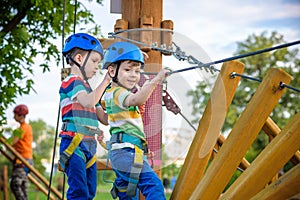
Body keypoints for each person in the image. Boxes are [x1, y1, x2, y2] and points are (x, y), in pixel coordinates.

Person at [101, 41, 170, 200]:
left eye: (137, 71)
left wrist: (135, 56)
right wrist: (157, 78)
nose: (133, 75)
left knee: (128, 195)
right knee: (154, 186)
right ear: (112, 71)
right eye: (127, 70)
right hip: (126, 152)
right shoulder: (118, 93)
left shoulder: (113, 94)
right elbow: (136, 100)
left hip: (125, 151)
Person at [59, 33, 111, 199]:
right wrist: (105, 81)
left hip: (90, 145)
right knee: (79, 191)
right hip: (74, 142)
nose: (97, 66)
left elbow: (104, 119)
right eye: (94, 61)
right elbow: (88, 102)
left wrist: (125, 108)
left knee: (90, 191)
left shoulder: (89, 89)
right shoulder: (72, 81)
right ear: (79, 59)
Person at [10, 104, 33, 200]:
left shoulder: (23, 128)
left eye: (15, 114)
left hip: (23, 160)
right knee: (22, 187)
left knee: (15, 184)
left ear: (20, 115)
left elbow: (13, 142)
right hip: (26, 160)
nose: (13, 117)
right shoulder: (26, 127)